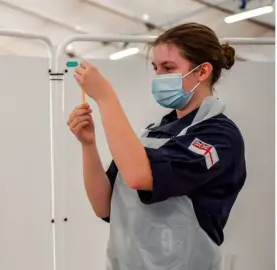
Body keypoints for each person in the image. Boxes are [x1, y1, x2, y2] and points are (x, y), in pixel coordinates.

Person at [67, 23, 246, 270]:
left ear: (203, 71)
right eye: (156, 68)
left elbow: (140, 176)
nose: (159, 77)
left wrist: (106, 98)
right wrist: (88, 144)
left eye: (168, 68)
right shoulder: (153, 132)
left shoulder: (219, 137)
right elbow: (103, 205)